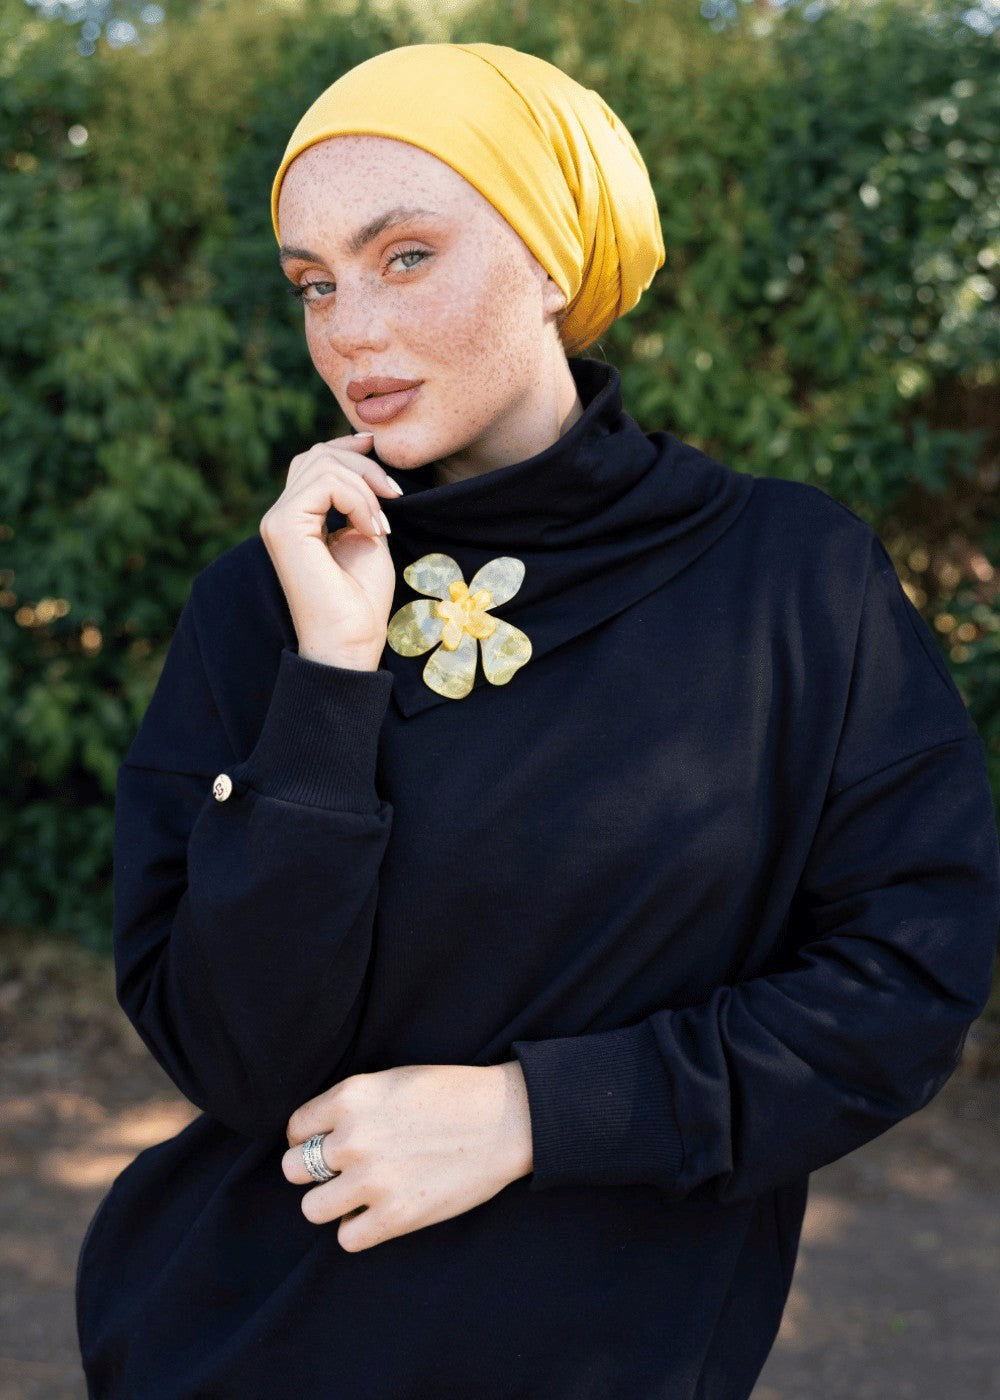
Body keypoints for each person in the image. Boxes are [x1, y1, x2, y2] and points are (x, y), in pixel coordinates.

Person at [75, 40, 999, 1400]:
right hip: (232, 1346)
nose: (348, 331)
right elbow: (231, 1057)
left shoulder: (791, 582)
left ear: (555, 259)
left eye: (404, 257)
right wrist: (330, 681)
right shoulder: (264, 601)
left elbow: (904, 984)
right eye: (314, 283)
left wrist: (537, 1116)